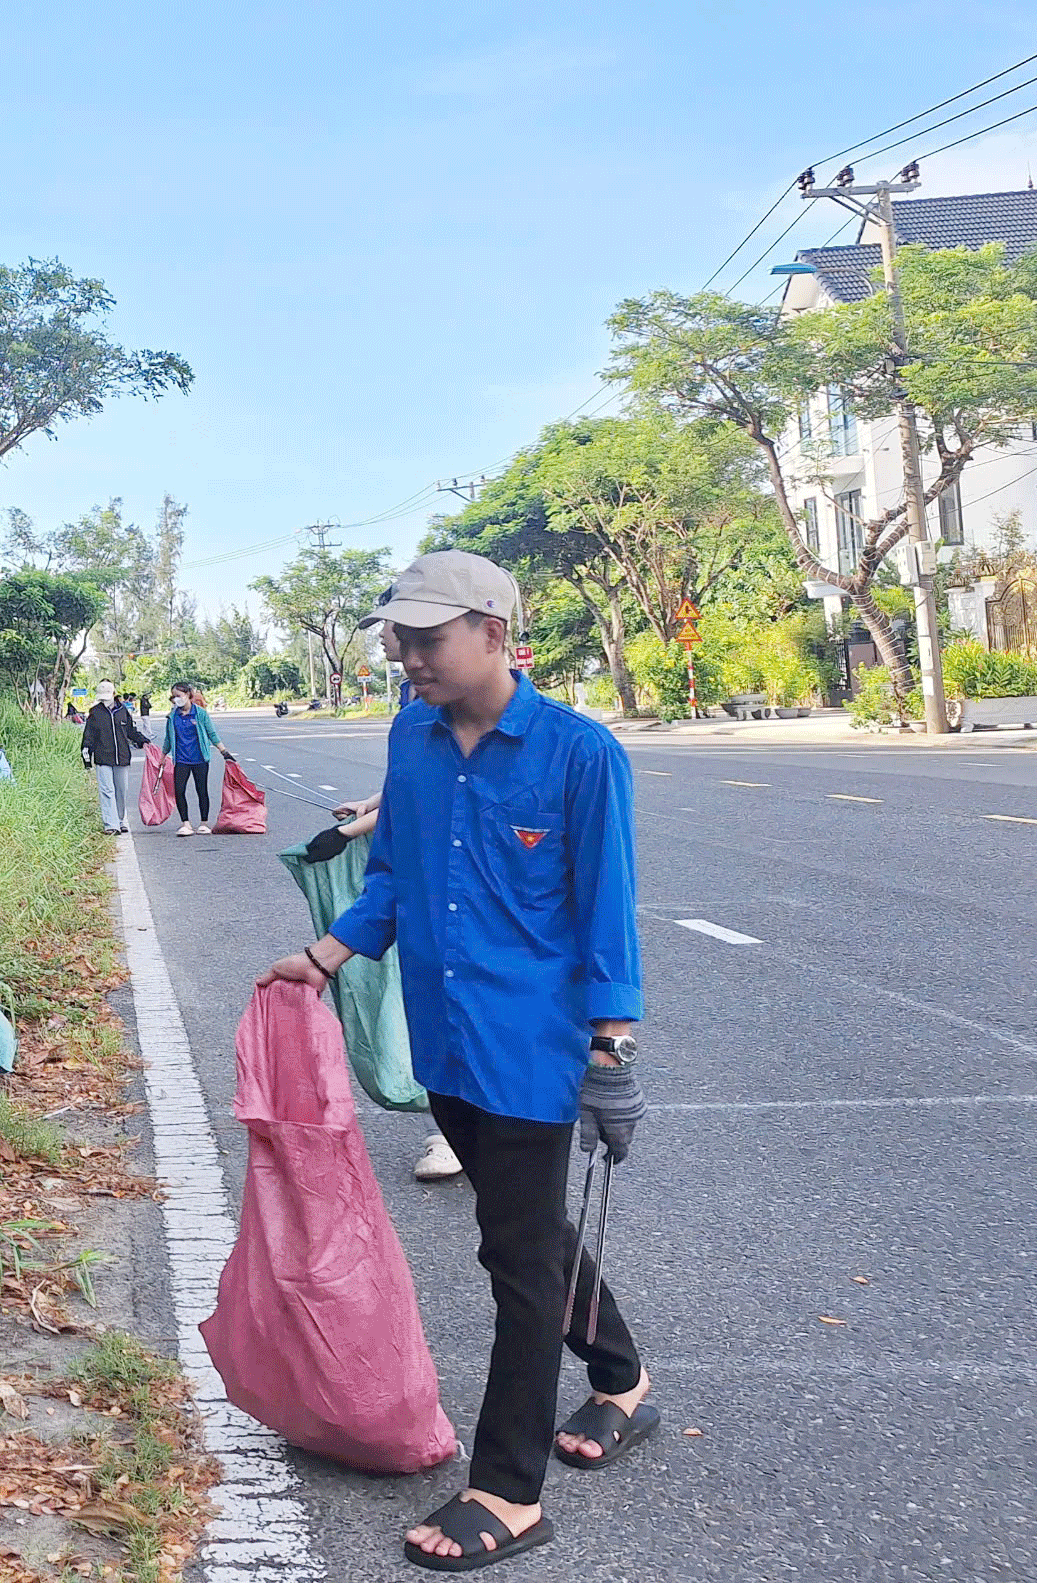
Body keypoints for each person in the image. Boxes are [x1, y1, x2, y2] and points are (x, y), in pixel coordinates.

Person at [263, 551, 651, 1571]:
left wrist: (611, 1050)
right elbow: (393, 875)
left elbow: (605, 909)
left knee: (515, 1259)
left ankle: (507, 1490)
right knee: (525, 1228)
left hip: (531, 1047)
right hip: (443, 1035)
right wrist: (324, 954)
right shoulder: (413, 739)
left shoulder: (577, 753)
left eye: (425, 639)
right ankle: (620, 1377)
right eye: (397, 639)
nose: (406, 657)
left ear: (492, 629)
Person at [307, 789, 464, 1183]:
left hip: (466, 896)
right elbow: (409, 781)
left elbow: (427, 801)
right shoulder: (422, 730)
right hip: (429, 894)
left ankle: (472, 1132)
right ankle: (446, 1134)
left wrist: (349, 832)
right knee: (429, 1012)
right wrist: (369, 805)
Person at [79, 690, 147, 834]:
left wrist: (143, 741)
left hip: (122, 758)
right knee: (107, 791)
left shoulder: (123, 711)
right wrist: (87, 759)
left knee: (121, 791)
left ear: (114, 694)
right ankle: (110, 824)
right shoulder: (95, 713)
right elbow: (88, 736)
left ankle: (120, 820)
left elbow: (131, 731)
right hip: (103, 758)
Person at [161, 682, 224, 835]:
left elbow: (212, 734)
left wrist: (223, 751)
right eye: (174, 696)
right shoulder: (172, 716)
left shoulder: (200, 713)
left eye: (179, 696)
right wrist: (162, 756)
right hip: (181, 759)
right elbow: (168, 739)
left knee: (201, 790)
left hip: (200, 759)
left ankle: (203, 823)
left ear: (188, 694)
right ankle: (186, 823)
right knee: (179, 790)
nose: (176, 699)